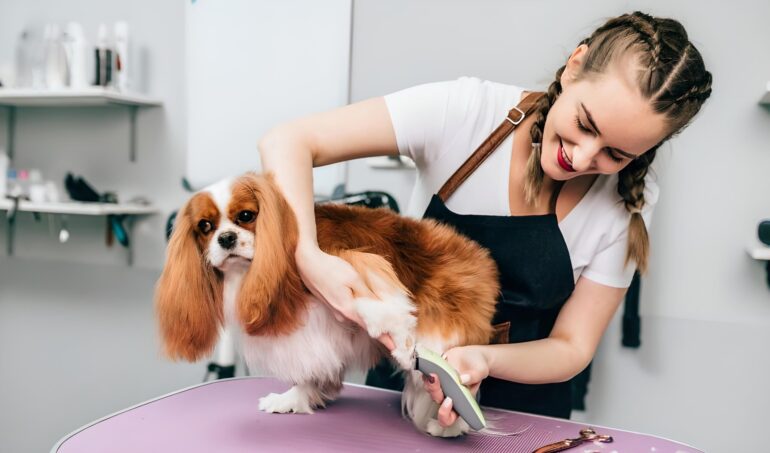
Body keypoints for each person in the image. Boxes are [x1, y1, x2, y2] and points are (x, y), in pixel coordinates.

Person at [258, 11, 712, 427]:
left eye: (616, 153)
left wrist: (483, 361)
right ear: (575, 65)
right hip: (401, 390)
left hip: (529, 413)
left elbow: (573, 346)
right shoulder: (465, 112)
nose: (582, 156)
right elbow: (289, 141)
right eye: (586, 124)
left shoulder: (632, 198)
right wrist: (310, 259)